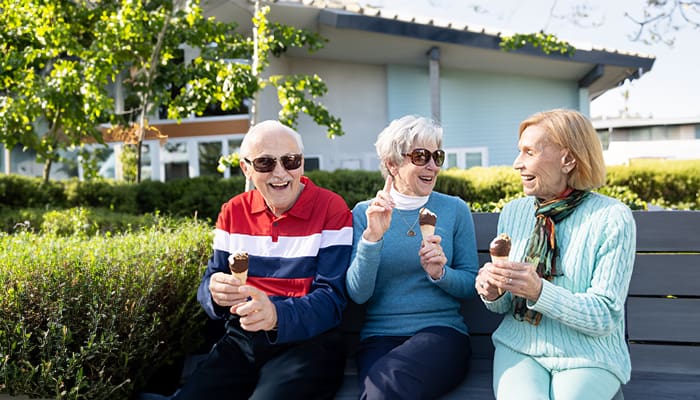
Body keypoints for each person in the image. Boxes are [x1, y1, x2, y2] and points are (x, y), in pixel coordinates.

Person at [169, 120, 353, 399]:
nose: (281, 173)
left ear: (301, 164)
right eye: (265, 163)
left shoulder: (331, 208)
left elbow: (332, 299)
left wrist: (276, 315)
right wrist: (214, 292)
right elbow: (210, 281)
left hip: (309, 344)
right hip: (242, 340)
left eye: (291, 161)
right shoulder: (232, 212)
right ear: (246, 168)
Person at [476, 109, 636, 400]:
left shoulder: (612, 217)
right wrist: (493, 291)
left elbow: (605, 315)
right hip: (521, 345)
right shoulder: (514, 212)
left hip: (589, 352)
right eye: (519, 152)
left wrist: (539, 291)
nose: (517, 164)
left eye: (529, 152)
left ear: (568, 159)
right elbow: (503, 308)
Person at [346, 115, 479, 399]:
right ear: (392, 164)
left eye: (437, 156)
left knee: (384, 390)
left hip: (441, 333)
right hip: (380, 337)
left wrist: (440, 274)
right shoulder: (365, 214)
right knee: (378, 392)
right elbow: (358, 294)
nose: (433, 165)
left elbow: (470, 283)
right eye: (421, 156)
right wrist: (372, 239)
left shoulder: (454, 209)